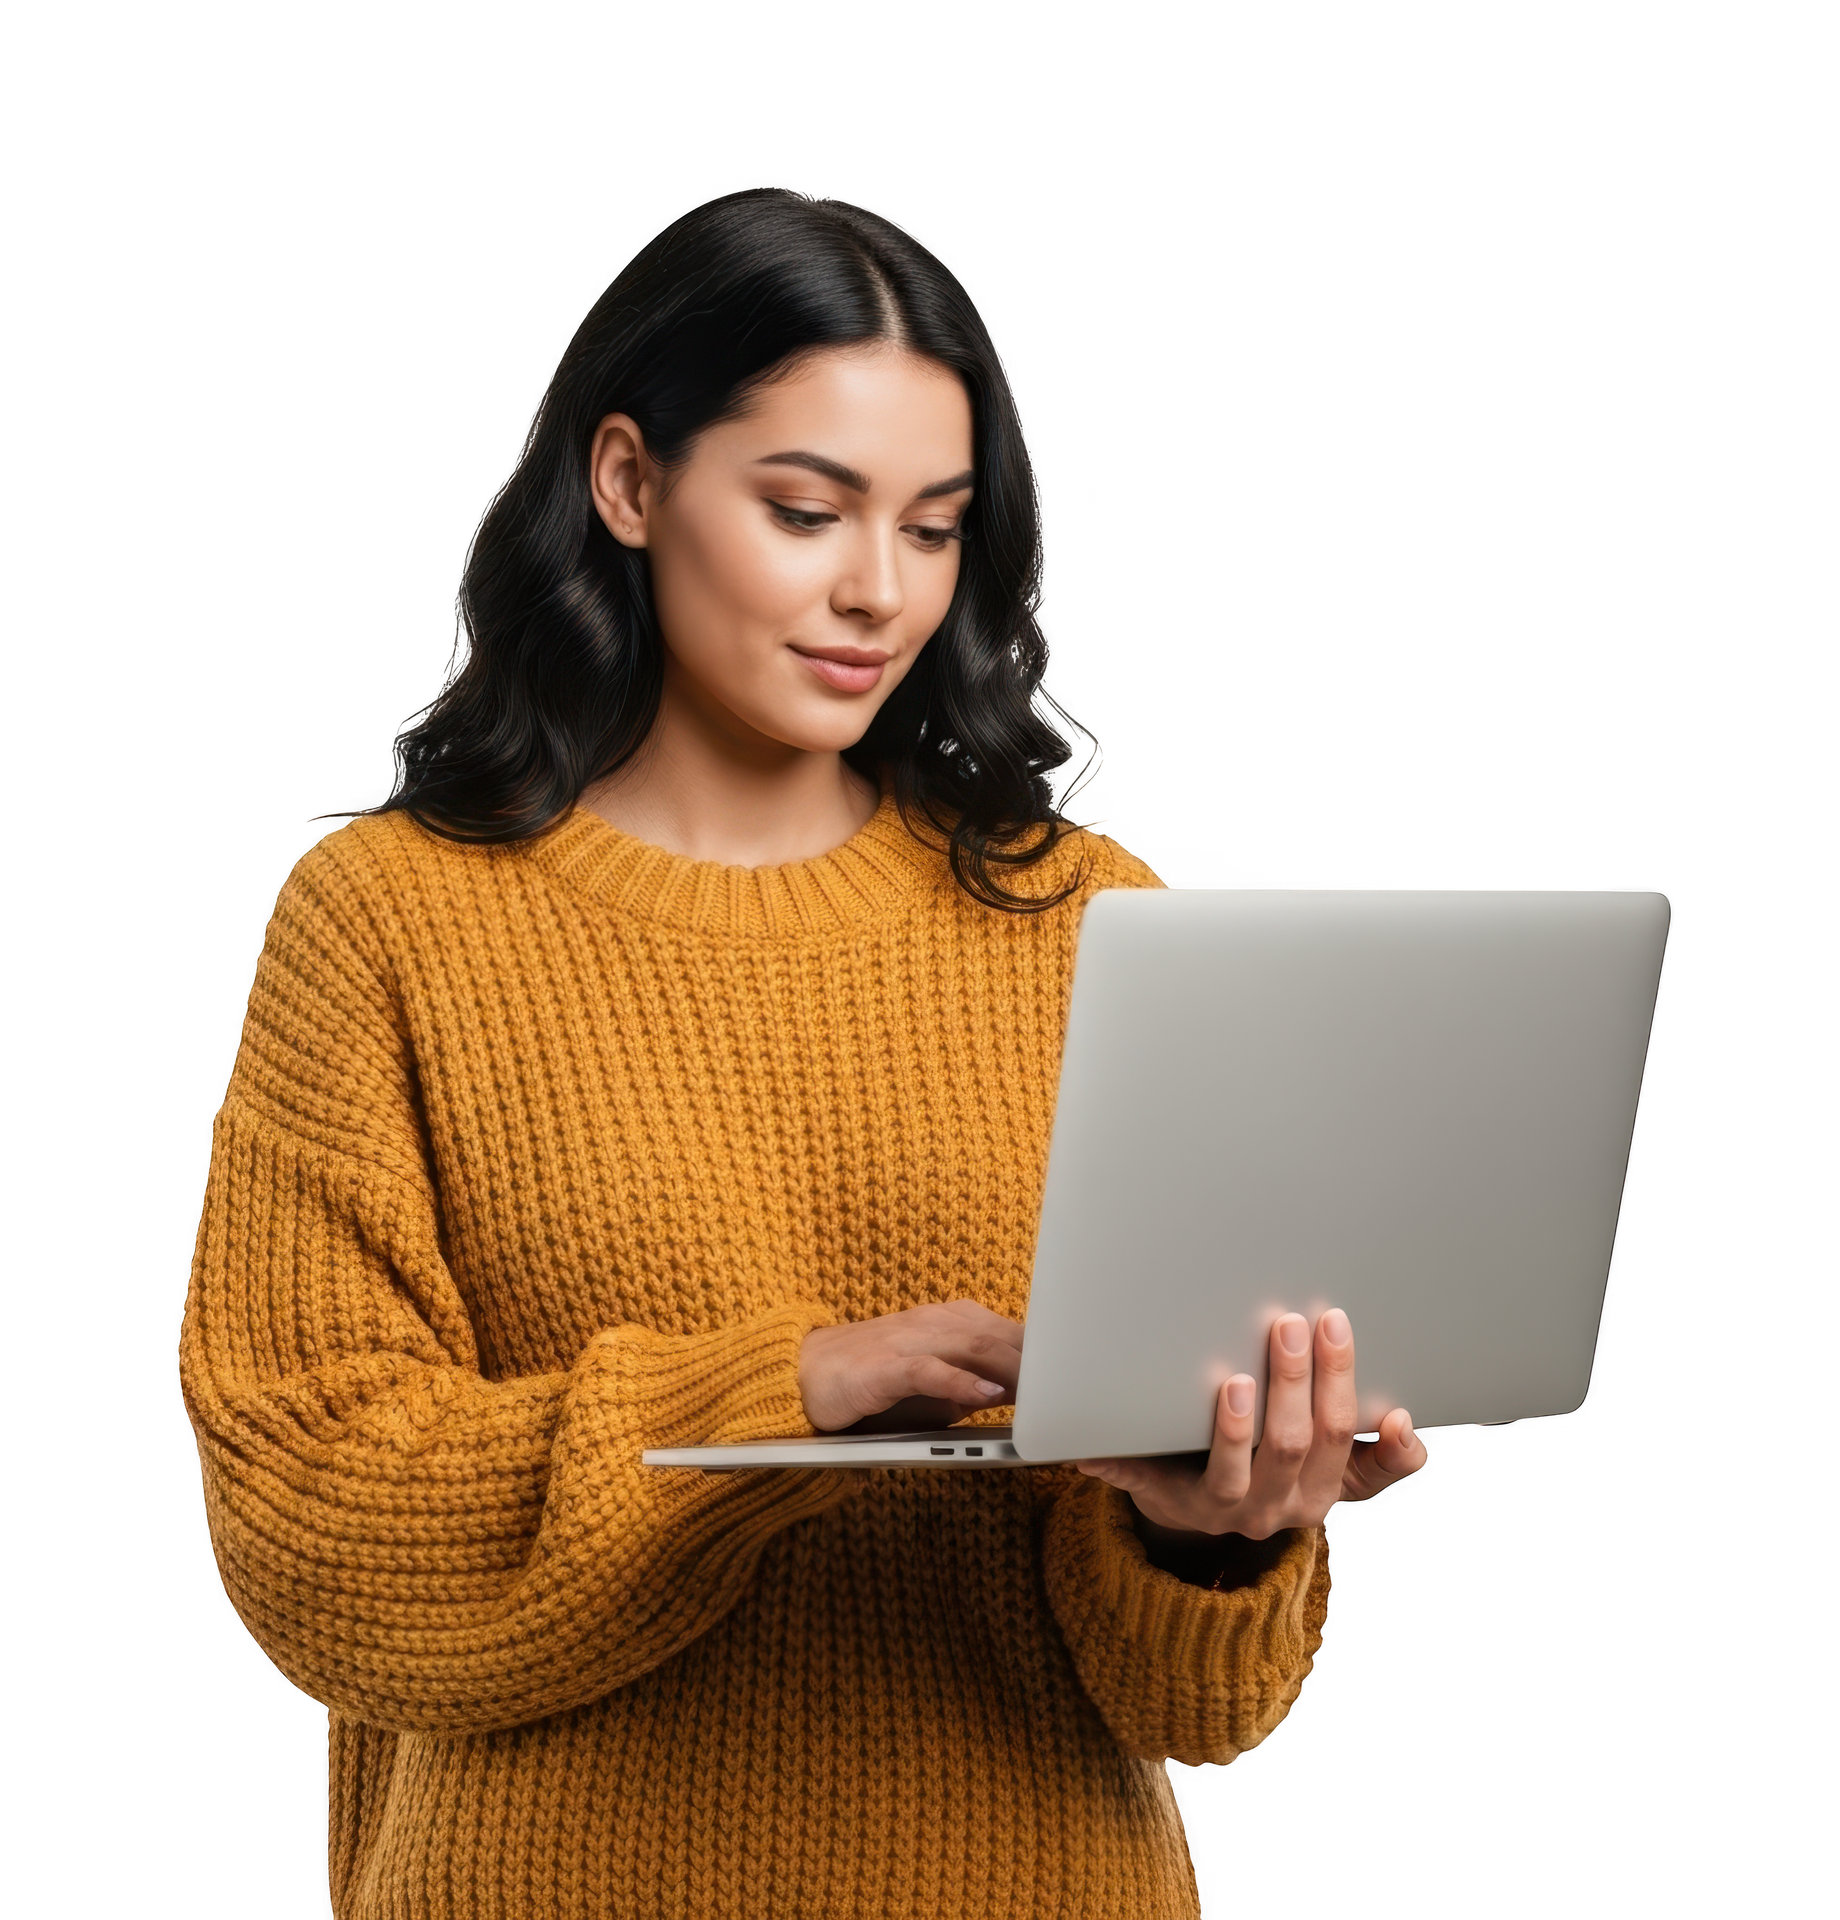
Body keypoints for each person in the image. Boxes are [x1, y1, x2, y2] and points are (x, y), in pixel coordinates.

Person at [178, 187, 1428, 1920]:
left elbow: (1186, 1711)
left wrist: (1213, 1527)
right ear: (627, 483)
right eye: (804, 510)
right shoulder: (388, 920)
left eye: (934, 528)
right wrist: (787, 1393)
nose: (878, 592)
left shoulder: (1095, 922)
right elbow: (312, 1526)